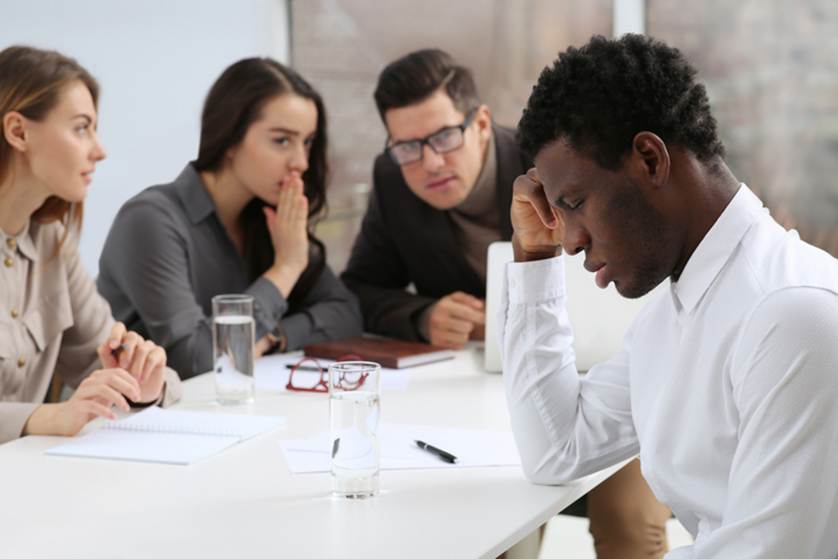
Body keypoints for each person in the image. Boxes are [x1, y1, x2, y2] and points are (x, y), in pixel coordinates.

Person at [506, 34, 838, 558]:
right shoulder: (673, 313)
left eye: (574, 203)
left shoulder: (797, 316)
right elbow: (556, 449)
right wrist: (532, 256)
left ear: (650, 159)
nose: (569, 240)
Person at [342, 48, 670, 558]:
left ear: (480, 124)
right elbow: (360, 288)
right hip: (476, 400)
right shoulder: (393, 182)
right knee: (488, 529)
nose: (429, 161)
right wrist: (421, 314)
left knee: (631, 526)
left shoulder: (550, 166)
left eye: (443, 137)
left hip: (605, 385)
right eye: (405, 146)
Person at [97, 58, 363, 378]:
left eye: (306, 142)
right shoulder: (149, 221)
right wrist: (287, 268)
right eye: (282, 141)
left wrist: (271, 335)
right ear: (231, 138)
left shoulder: (268, 216)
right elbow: (195, 360)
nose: (302, 162)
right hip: (131, 419)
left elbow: (346, 314)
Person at [0, 46, 181, 444]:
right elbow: (55, 415)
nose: (99, 150)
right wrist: (44, 416)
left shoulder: (52, 246)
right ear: (18, 131)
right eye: (81, 128)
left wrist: (142, 384)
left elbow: (97, 357)